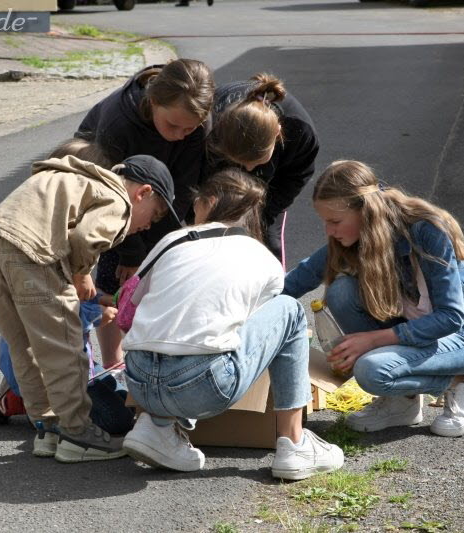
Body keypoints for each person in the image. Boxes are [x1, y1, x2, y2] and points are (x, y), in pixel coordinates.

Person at [119, 169, 344, 480]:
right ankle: (294, 443)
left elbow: (131, 304)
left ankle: (156, 426)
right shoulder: (263, 259)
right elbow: (257, 326)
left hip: (138, 379)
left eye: (195, 204)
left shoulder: (171, 240)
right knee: (290, 310)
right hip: (202, 388)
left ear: (208, 202)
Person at [0, 151, 179, 463]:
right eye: (153, 216)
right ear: (143, 193)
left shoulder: (73, 178)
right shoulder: (116, 197)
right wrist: (81, 273)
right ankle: (78, 433)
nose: (145, 226)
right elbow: (85, 236)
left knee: (24, 346)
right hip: (33, 253)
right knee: (64, 347)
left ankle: (48, 429)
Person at [283, 160, 464, 438]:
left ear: (365, 211)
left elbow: (450, 317)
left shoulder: (426, 231)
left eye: (334, 221)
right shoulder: (359, 234)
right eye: (325, 221)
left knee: (370, 370)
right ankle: (403, 403)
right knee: (341, 291)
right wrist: (253, 312)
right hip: (418, 335)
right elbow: (302, 276)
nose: (329, 230)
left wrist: (372, 341)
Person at [76, 58, 215, 367]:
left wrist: (167, 246)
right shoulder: (118, 123)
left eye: (189, 129)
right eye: (173, 125)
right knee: (119, 270)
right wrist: (133, 253)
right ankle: (114, 360)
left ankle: (153, 356)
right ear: (153, 103)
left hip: (157, 186)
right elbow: (112, 202)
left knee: (163, 266)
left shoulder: (196, 127)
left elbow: (182, 190)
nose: (180, 134)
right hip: (105, 187)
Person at [205, 73, 319, 264]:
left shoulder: (300, 131)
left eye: (256, 161)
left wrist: (265, 211)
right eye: (241, 162)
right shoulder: (212, 126)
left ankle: (275, 291)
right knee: (214, 238)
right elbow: (199, 179)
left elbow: (296, 176)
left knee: (267, 241)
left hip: (272, 184)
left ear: (277, 133)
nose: (248, 169)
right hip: (218, 179)